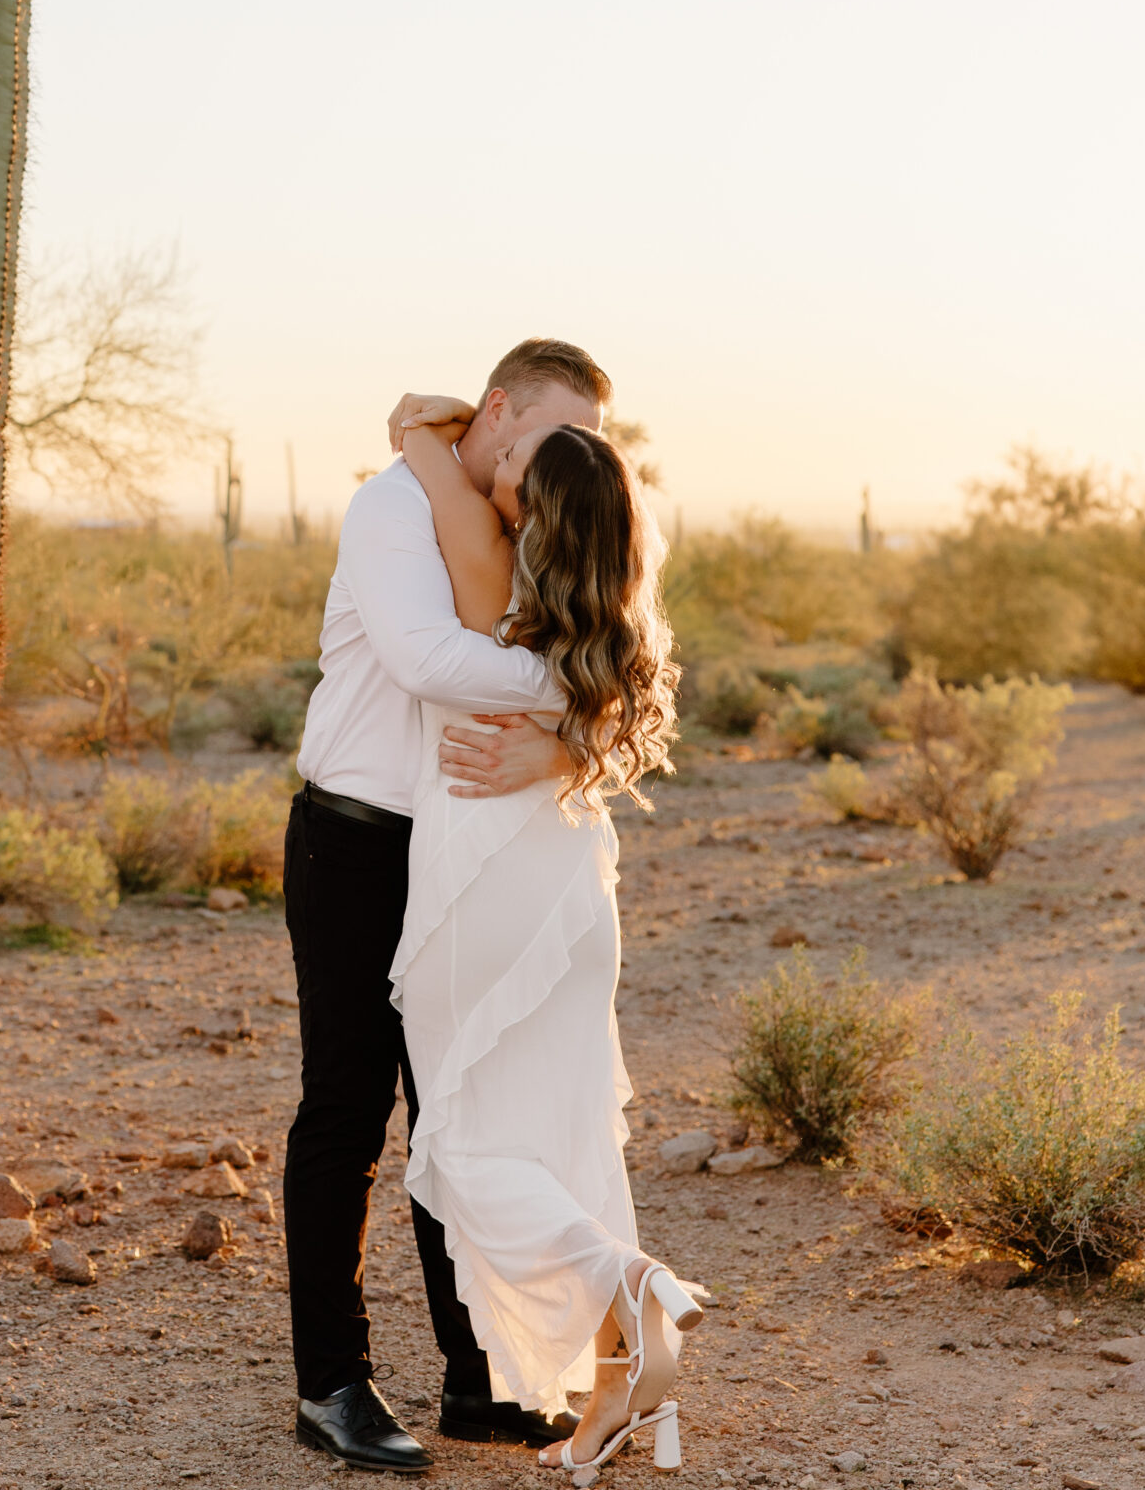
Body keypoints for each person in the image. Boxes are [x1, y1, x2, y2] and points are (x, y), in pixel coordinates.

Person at [285, 340, 610, 1474]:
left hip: (466, 859)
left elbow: (595, 623)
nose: (553, 460)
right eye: (540, 437)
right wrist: (581, 696)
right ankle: (331, 1382)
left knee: (461, 1113)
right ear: (500, 408)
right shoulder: (391, 509)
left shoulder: (529, 519)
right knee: (346, 1111)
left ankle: (480, 1381)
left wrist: (573, 730)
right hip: (357, 843)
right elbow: (427, 658)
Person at [389, 401, 701, 1481]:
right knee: (567, 1136)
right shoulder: (615, 629)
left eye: (513, 455)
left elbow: (423, 456)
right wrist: (568, 748)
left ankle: (633, 1287)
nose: (494, 461)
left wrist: (417, 428)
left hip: (484, 883)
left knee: (463, 1142)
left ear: (541, 505)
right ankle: (616, 1396)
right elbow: (613, 719)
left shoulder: (488, 564)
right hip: (569, 883)